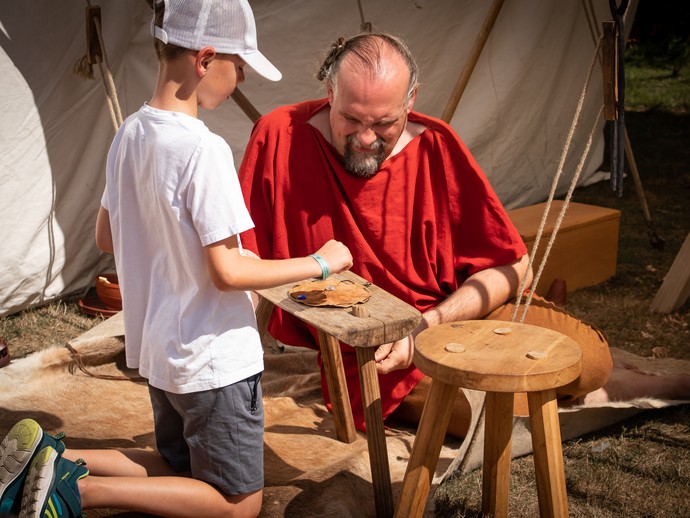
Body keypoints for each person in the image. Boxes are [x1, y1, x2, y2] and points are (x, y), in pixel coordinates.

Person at [238, 32, 689, 440]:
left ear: (411, 100)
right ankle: (624, 388)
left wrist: (428, 325)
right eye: (352, 119)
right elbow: (246, 265)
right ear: (330, 93)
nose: (366, 138)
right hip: (375, 352)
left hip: (452, 319)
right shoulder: (279, 138)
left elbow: (515, 264)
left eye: (384, 123)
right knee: (475, 414)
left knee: (588, 361)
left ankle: (612, 378)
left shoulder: (436, 146)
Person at [0, 1, 352, 518]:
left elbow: (106, 234)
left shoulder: (129, 134)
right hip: (214, 362)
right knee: (238, 503)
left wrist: (169, 244)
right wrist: (319, 261)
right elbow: (230, 272)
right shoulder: (203, 149)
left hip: (163, 352)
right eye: (241, 68)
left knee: (180, 467)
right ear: (206, 59)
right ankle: (75, 493)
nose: (240, 82)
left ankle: (52, 458)